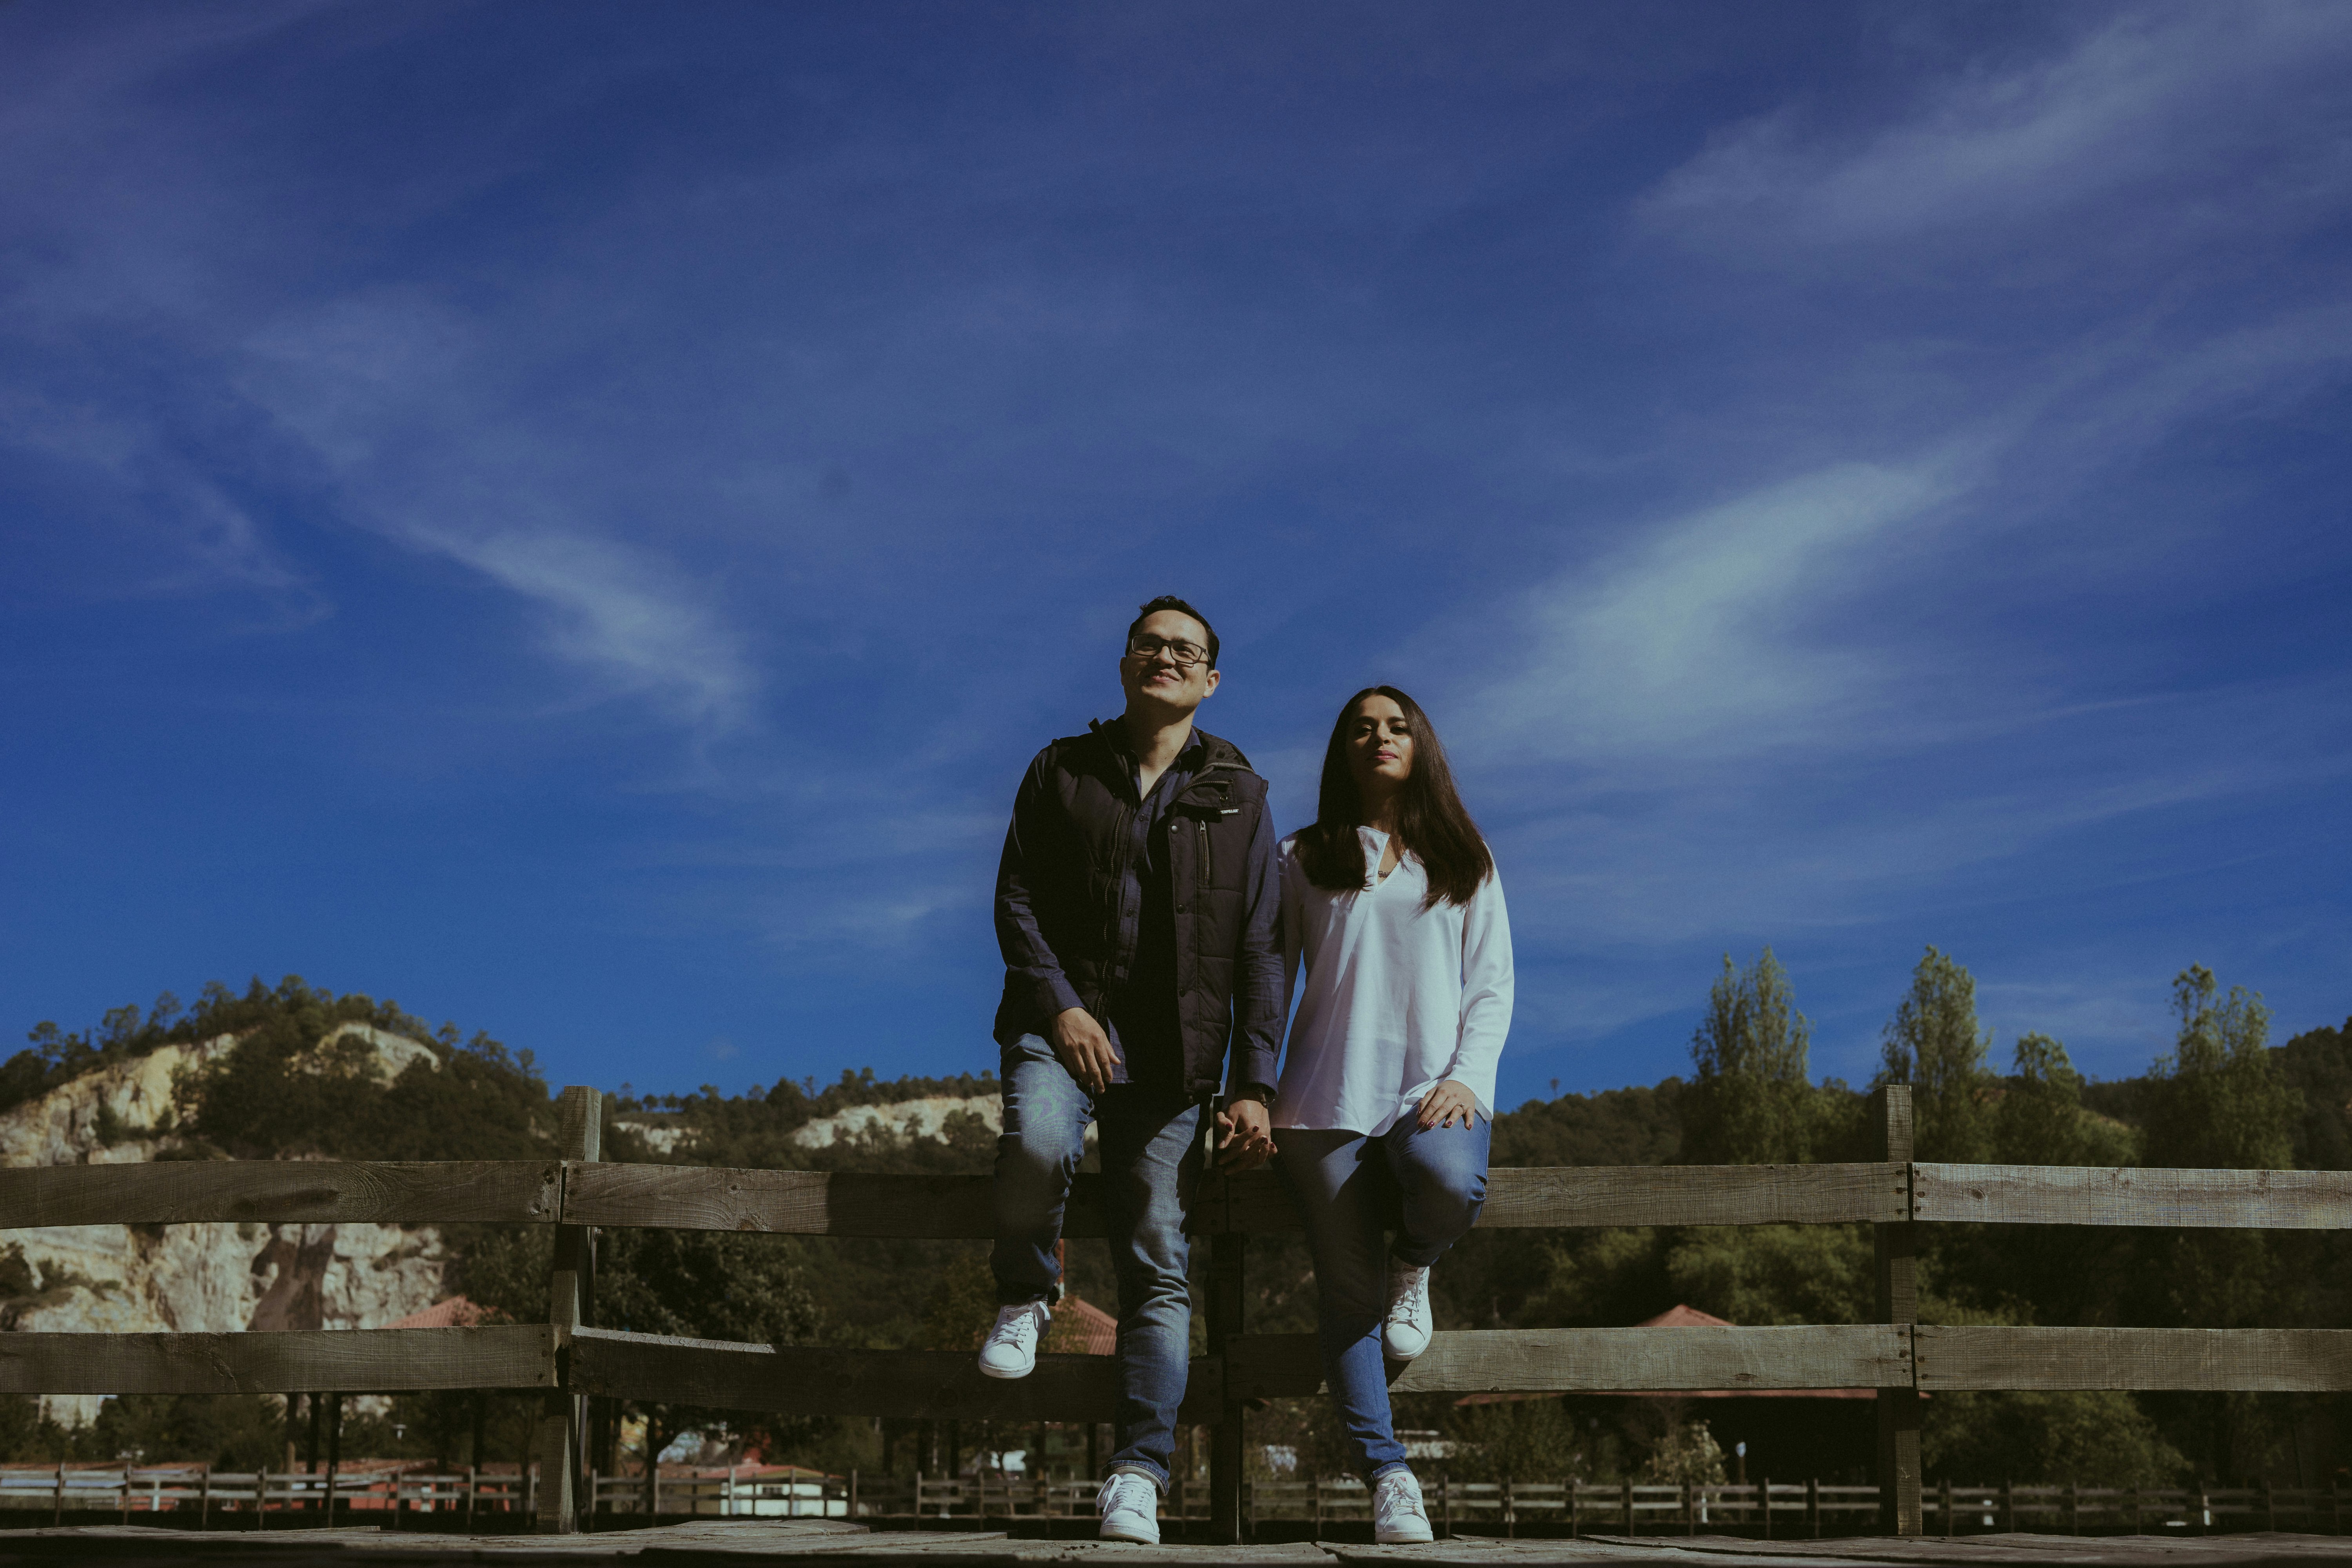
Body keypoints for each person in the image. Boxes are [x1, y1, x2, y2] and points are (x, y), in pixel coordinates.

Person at [978, 595, 1283, 1545]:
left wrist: (1253, 1083)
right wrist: (1061, 1003)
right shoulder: (1060, 768)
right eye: (1150, 644)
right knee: (1035, 1140)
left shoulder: (1242, 794)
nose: (1166, 657)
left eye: (1185, 650)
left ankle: (1139, 1472)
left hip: (1176, 1060)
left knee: (1159, 1253)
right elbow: (1014, 896)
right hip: (1060, 1023)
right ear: (1123, 663)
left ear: (1211, 678)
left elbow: (1263, 948)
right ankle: (1028, 1288)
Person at [1272, 685, 1514, 1545]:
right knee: (1345, 1299)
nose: (1380, 737)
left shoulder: (1464, 855)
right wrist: (1254, 1091)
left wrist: (1468, 1077)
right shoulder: (1299, 855)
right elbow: (1266, 986)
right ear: (1342, 749)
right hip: (1318, 1103)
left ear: (1423, 746)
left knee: (1450, 1183)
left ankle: (1413, 1265)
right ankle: (1389, 1475)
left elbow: (1492, 985)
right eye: (1362, 728)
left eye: (1397, 727)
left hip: (1430, 1094)